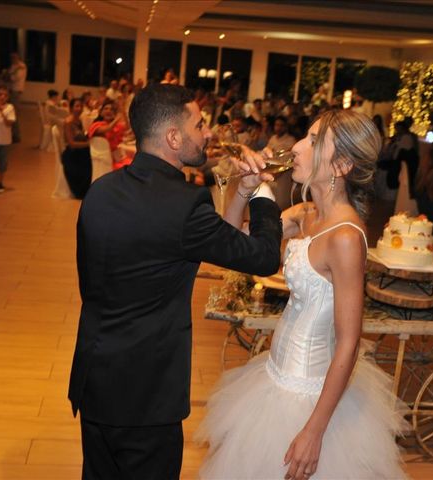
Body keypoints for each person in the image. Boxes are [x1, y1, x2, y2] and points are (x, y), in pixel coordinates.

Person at [68, 83, 282, 480]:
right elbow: (264, 257)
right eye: (199, 125)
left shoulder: (100, 192)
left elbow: (219, 241)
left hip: (96, 377)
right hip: (146, 393)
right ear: (172, 137)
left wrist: (242, 191)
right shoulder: (184, 205)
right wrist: (265, 194)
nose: (208, 133)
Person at [197, 109, 407, 479]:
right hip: (274, 376)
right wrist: (243, 190)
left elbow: (349, 341)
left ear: (341, 165)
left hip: (308, 395)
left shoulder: (345, 238)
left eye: (313, 141)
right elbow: (230, 245)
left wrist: (314, 430)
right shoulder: (306, 214)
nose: (296, 146)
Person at [62, 99, 92, 199]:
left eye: (81, 106)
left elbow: (81, 136)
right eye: (77, 106)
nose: (79, 109)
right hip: (72, 155)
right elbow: (72, 144)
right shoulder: (69, 122)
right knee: (90, 161)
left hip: (79, 151)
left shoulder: (78, 120)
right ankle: (81, 190)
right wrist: (88, 144)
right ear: (71, 108)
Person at [6, 52, 27, 142]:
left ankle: (16, 135)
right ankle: (12, 134)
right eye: (11, 57)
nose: (12, 59)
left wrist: (9, 75)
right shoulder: (14, 66)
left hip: (16, 91)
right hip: (12, 90)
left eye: (14, 57)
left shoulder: (21, 66)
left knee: (14, 113)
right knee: (10, 112)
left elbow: (14, 78)